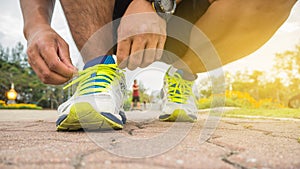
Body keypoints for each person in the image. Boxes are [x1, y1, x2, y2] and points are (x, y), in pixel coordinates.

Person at [20, 0, 297, 131]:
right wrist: (35, 27)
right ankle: (99, 72)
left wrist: (149, 2)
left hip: (196, 17)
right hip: (108, 14)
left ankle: (182, 73)